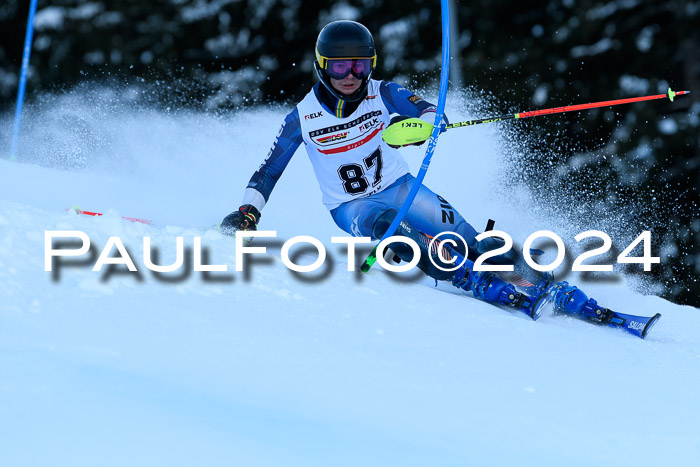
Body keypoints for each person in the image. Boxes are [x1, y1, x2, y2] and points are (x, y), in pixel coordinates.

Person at [220, 20, 613, 324]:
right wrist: (248, 213)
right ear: (322, 67)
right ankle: (467, 278)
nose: (351, 75)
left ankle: (533, 276)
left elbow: (427, 108)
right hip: (352, 207)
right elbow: (269, 170)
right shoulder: (303, 118)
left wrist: (424, 126)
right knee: (390, 228)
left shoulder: (381, 92)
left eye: (360, 65)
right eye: (340, 66)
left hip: (400, 185)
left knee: (467, 236)